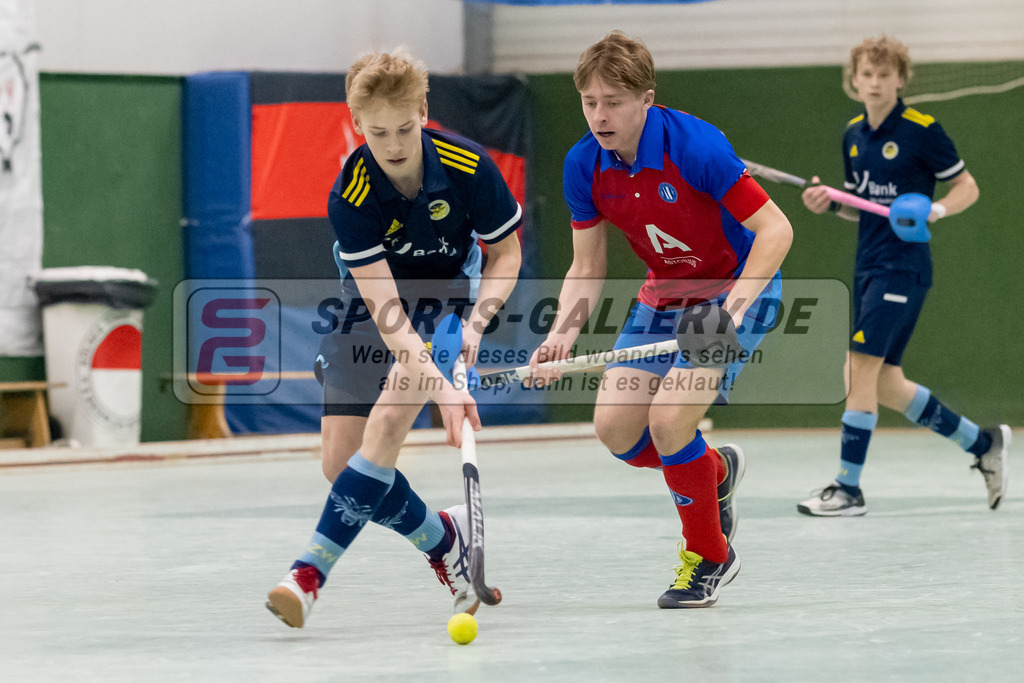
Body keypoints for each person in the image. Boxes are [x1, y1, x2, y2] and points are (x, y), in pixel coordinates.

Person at [529, 31, 792, 608]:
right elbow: (586, 267)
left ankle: (708, 555)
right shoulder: (583, 165)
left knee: (671, 421)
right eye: (589, 102)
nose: (599, 115)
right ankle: (712, 471)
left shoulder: (697, 147)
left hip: (733, 290)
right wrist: (559, 337)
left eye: (613, 102)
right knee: (618, 431)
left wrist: (730, 312)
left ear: (646, 98)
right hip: (663, 296)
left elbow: (777, 230)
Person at [265, 50, 523, 628]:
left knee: (384, 428)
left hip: (447, 303)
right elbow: (385, 315)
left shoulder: (469, 167)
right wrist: (446, 392)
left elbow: (506, 252)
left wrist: (478, 320)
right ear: (357, 124)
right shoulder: (350, 194)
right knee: (339, 465)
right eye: (378, 132)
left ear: (423, 110)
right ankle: (442, 539)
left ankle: (308, 574)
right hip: (371, 310)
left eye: (405, 127)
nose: (394, 145)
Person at [797, 36, 1010, 517]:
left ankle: (848, 489)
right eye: (866, 75)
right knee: (886, 383)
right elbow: (860, 207)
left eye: (883, 74)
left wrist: (933, 209)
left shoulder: (921, 129)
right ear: (854, 82)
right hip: (869, 264)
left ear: (900, 79)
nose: (874, 83)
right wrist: (830, 202)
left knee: (856, 370)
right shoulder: (852, 134)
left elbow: (967, 186)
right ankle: (983, 445)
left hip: (904, 267)